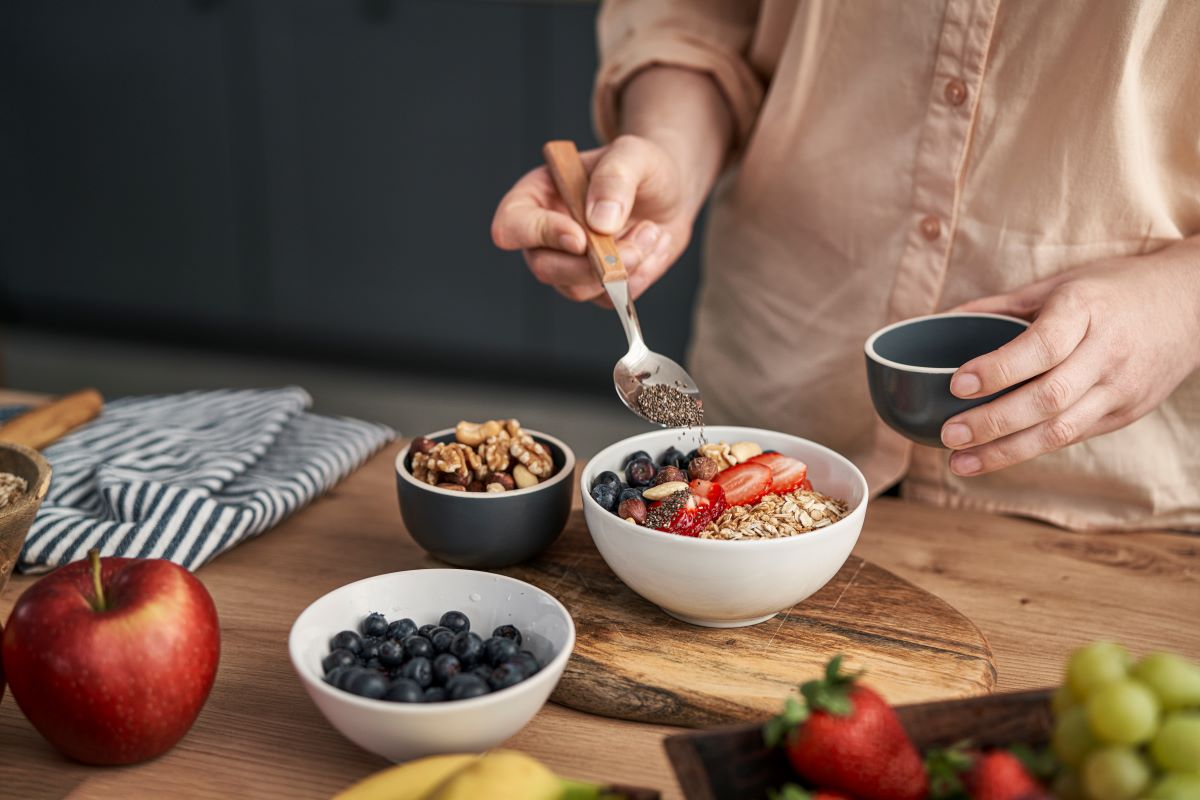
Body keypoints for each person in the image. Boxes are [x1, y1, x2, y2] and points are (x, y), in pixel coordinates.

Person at [491, 1, 1200, 531]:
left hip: (1105, 499)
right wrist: (671, 151)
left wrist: (1181, 299)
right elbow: (700, 16)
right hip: (780, 390)